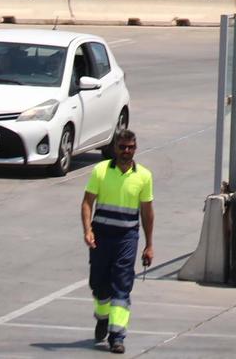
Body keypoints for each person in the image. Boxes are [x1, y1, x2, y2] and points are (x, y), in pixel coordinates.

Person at [81, 128, 155, 354]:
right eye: (122, 147)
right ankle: (102, 317)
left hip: (127, 237)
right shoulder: (100, 171)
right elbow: (87, 203)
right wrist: (87, 230)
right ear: (115, 148)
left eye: (130, 147)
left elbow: (147, 212)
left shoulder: (143, 176)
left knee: (122, 287)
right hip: (101, 235)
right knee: (99, 285)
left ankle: (117, 336)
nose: (126, 151)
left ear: (135, 148)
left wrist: (149, 244)